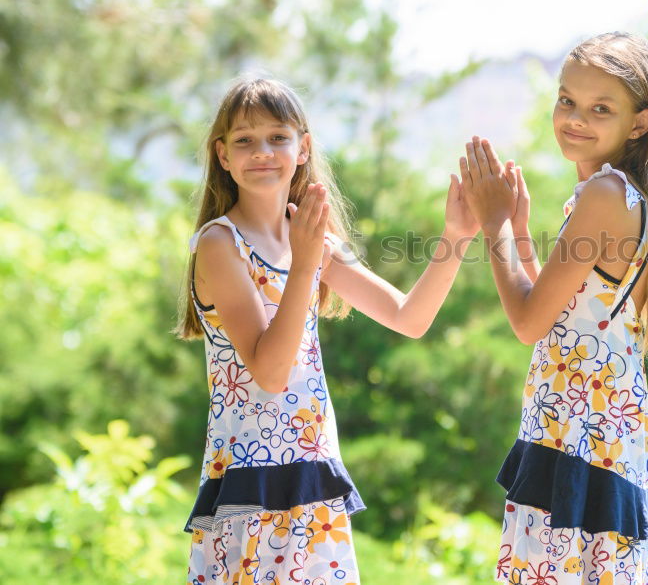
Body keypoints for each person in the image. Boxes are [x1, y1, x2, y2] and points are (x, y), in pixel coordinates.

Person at [175, 77, 478, 584]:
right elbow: (269, 371)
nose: (263, 152)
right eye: (244, 140)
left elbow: (409, 317)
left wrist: (456, 236)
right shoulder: (218, 244)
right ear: (222, 155)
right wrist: (305, 261)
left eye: (277, 137)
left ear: (303, 147)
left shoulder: (313, 239)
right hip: (251, 483)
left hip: (312, 474)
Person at [459, 32, 648, 585]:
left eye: (601, 108)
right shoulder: (628, 196)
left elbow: (528, 323)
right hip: (599, 422)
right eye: (567, 101)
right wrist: (519, 232)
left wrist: (493, 227)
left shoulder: (605, 194)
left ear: (640, 122)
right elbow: (561, 315)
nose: (575, 118)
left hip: (576, 426)